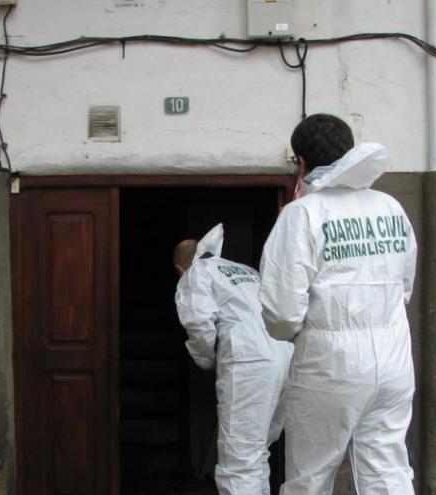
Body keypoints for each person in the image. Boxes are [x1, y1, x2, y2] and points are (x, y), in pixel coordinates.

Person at [259, 114, 418, 495]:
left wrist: (292, 335)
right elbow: (405, 284)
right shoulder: (390, 207)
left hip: (330, 362)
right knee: (388, 470)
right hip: (394, 357)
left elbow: (281, 311)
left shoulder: (304, 214)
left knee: (310, 475)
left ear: (300, 161)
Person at [174, 223, 294, 495]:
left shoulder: (196, 273)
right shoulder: (245, 271)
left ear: (180, 269)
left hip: (249, 358)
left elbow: (198, 322)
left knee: (239, 458)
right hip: (285, 353)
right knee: (257, 448)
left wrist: (205, 360)